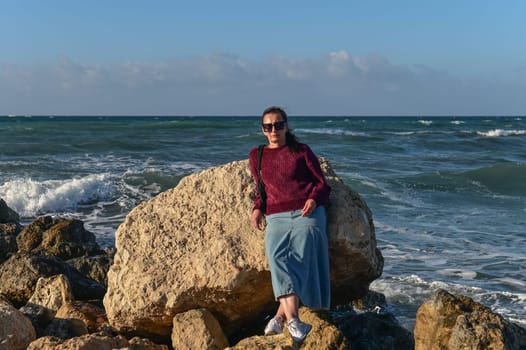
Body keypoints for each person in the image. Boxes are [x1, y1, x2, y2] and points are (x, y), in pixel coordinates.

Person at [249, 106, 331, 343]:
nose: (274, 130)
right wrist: (257, 208)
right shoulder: (257, 155)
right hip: (276, 215)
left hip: (307, 213)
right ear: (263, 130)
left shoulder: (302, 150)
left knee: (300, 257)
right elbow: (260, 190)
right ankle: (293, 321)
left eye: (278, 125)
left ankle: (283, 318)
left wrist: (314, 200)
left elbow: (321, 183)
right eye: (268, 126)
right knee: (276, 258)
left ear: (286, 126)